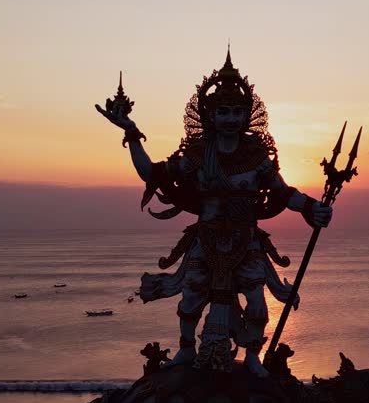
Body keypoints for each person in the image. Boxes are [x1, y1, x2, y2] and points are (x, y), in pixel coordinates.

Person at [98, 52, 333, 375]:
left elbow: (282, 192)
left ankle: (252, 355)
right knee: (191, 297)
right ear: (209, 114)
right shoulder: (197, 155)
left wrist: (311, 207)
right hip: (206, 238)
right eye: (223, 111)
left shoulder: (256, 156)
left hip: (245, 240)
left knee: (257, 303)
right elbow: (151, 173)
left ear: (247, 114)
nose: (230, 119)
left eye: (237, 111)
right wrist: (131, 132)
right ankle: (186, 349)